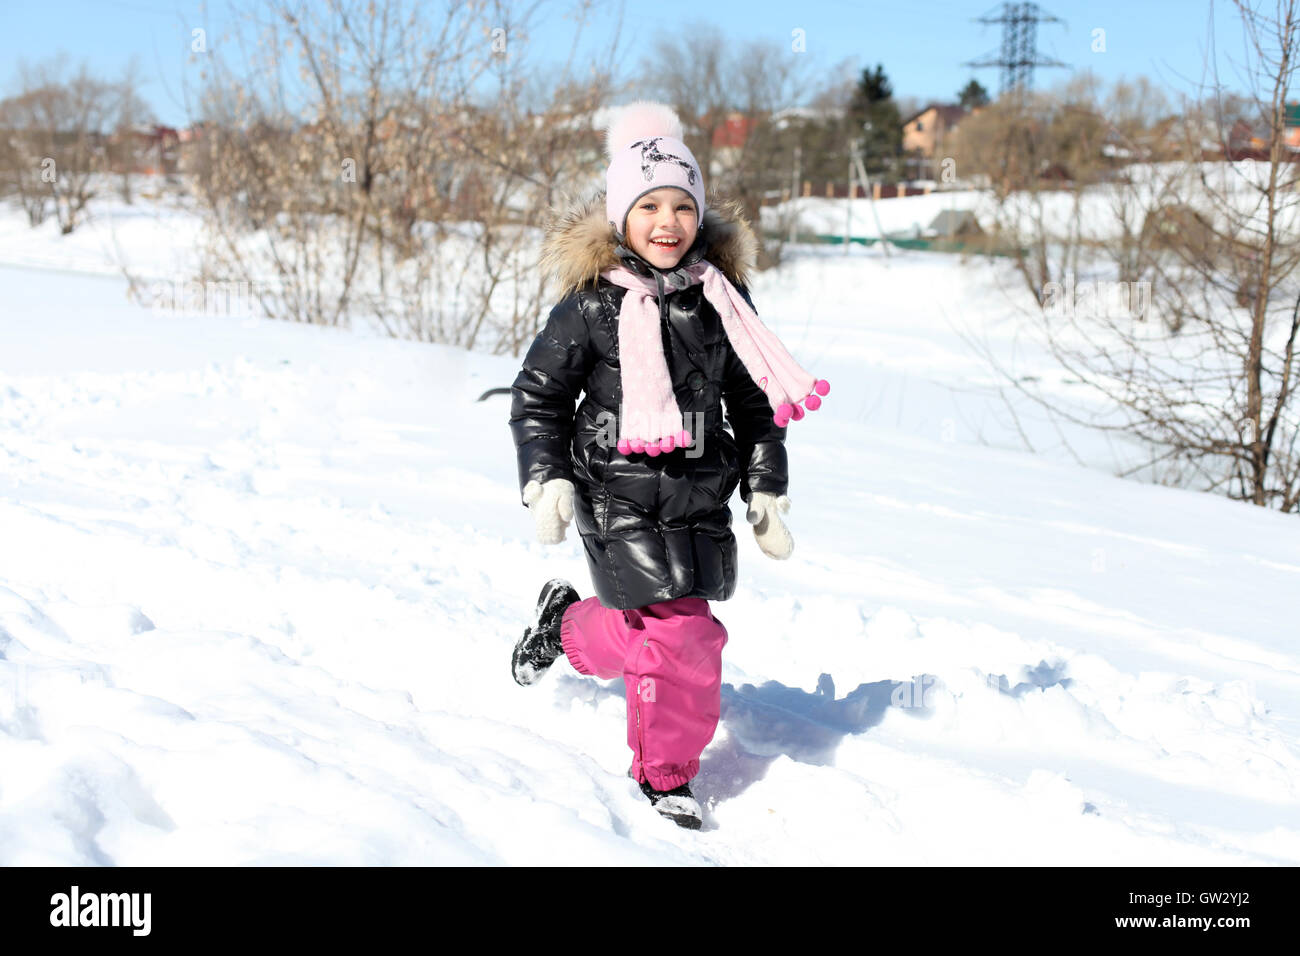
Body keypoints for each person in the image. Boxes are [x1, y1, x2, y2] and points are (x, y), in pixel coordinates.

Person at [507, 101, 829, 830]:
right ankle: (664, 774)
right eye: (648, 204)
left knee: (647, 630)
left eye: (683, 205)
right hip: (612, 486)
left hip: (696, 488)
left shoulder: (722, 299)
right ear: (622, 216)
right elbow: (539, 397)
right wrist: (546, 476)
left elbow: (754, 402)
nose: (667, 221)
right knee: (685, 634)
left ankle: (564, 628)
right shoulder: (590, 304)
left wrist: (767, 484)